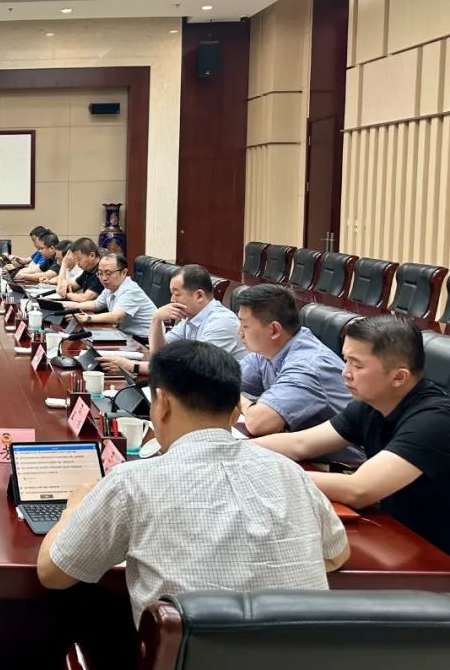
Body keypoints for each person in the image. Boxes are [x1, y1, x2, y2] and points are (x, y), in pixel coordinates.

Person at [37, 340, 349, 629]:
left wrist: (73, 509)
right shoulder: (290, 472)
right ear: (236, 412)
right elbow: (337, 554)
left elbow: (53, 574)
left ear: (162, 403)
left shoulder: (131, 482)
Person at [254, 315, 450, 554]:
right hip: (397, 535)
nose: (345, 372)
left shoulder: (435, 420)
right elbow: (300, 443)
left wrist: (266, 472)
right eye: (346, 360)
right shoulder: (371, 404)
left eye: (357, 365)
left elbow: (359, 489)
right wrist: (234, 450)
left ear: (399, 377)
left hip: (435, 554)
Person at [236, 284, 352, 437]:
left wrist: (238, 399)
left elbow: (257, 424)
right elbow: (218, 380)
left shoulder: (308, 365)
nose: (239, 332)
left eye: (245, 326)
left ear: (274, 330)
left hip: (346, 452)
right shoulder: (268, 352)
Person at [103, 264, 247, 377]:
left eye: (177, 294)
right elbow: (159, 354)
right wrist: (156, 319)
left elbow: (192, 370)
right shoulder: (190, 317)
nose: (172, 300)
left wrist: (132, 366)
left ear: (199, 296)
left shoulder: (221, 323)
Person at [74, 253, 156, 340]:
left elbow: (115, 317)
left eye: (108, 273)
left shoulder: (130, 290)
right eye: (100, 273)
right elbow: (96, 304)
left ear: (124, 272)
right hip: (126, 335)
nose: (104, 278)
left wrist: (87, 318)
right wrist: (72, 306)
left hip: (145, 340)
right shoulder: (111, 286)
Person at [59, 237, 104, 303]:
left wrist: (66, 294)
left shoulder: (102, 271)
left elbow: (84, 298)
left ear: (92, 256)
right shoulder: (88, 269)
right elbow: (70, 286)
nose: (77, 263)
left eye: (79, 259)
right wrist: (65, 286)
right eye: (75, 260)